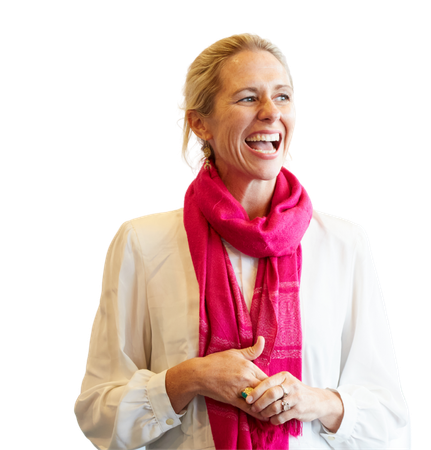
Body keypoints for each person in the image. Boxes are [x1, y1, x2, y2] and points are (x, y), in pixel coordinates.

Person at [74, 32, 411, 450]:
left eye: (283, 97)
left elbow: (390, 420)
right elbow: (98, 415)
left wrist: (315, 401)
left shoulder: (345, 243)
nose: (271, 113)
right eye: (248, 98)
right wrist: (191, 378)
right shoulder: (142, 243)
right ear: (200, 123)